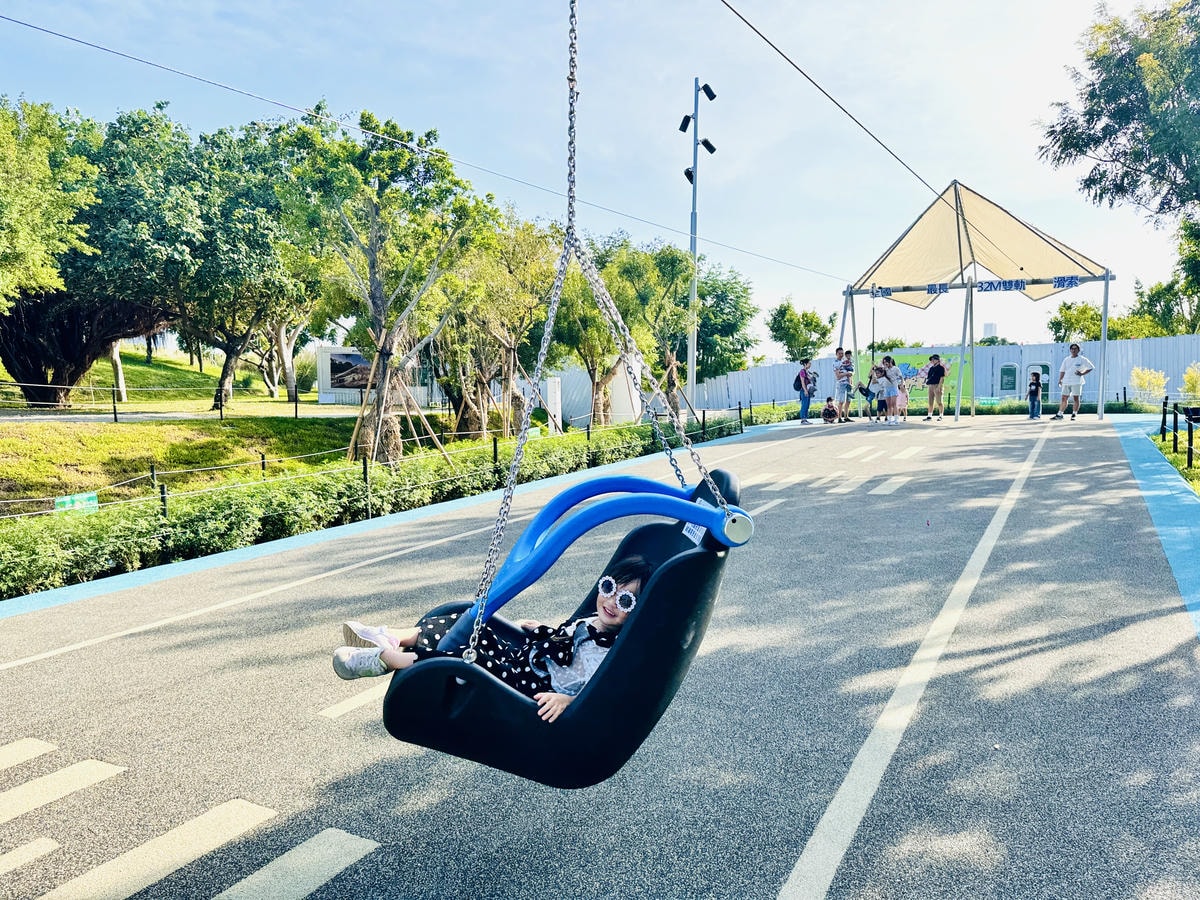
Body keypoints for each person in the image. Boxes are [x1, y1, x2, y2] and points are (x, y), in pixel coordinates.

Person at [332, 555, 653, 723]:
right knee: (472, 624)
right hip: (527, 659)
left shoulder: (612, 651)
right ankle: (392, 636)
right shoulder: (590, 618)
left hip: (536, 686)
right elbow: (567, 640)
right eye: (610, 588)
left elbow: (600, 692)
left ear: (637, 612)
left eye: (626, 602)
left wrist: (568, 701)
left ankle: (388, 659)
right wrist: (542, 629)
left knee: (472, 657)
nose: (612, 602)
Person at [1052, 343, 1094, 421]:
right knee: (1064, 398)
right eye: (1072, 349)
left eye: (1075, 349)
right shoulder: (1066, 359)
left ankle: (1074, 414)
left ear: (1078, 350)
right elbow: (1062, 370)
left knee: (1076, 398)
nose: (1073, 350)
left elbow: (1090, 367)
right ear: (1070, 350)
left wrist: (1082, 373)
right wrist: (1060, 380)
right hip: (1066, 381)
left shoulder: (1082, 359)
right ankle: (1060, 414)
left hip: (1076, 382)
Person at [922, 354, 947, 421]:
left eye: (934, 359)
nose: (932, 361)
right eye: (931, 360)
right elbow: (929, 377)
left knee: (939, 401)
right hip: (930, 385)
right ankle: (929, 416)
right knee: (930, 401)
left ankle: (941, 415)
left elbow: (942, 378)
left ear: (938, 360)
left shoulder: (941, 368)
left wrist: (939, 386)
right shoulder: (931, 368)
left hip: (937, 385)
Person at [881, 355, 903, 426]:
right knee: (888, 405)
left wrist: (901, 385)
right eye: (884, 362)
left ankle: (896, 419)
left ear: (890, 361)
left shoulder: (895, 368)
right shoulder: (885, 369)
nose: (885, 363)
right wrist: (884, 368)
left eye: (886, 362)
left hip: (893, 387)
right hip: (886, 388)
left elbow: (900, 377)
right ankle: (889, 419)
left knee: (894, 404)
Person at [832, 348, 853, 423]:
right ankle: (839, 418)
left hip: (848, 383)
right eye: (839, 353)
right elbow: (838, 376)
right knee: (841, 401)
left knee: (848, 400)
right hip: (841, 383)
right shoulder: (836, 363)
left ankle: (846, 416)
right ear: (836, 354)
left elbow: (850, 371)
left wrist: (850, 381)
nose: (841, 355)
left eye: (842, 353)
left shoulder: (844, 361)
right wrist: (846, 374)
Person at [796, 357, 815, 424]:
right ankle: (803, 419)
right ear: (805, 364)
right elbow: (802, 382)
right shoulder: (802, 371)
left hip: (807, 390)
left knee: (807, 405)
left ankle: (805, 419)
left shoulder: (807, 372)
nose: (810, 364)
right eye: (809, 363)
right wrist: (805, 390)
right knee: (804, 404)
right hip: (804, 390)